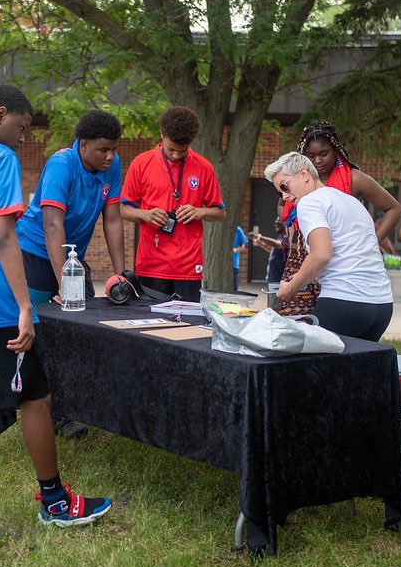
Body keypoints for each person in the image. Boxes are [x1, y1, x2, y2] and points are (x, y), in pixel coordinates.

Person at [0, 85, 111, 557]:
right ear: (0, 114)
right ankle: (55, 502)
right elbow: (3, 236)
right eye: (22, 127)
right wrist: (24, 307)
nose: (23, 137)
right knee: (36, 399)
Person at [17, 109, 125, 438]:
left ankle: (71, 407)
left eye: (114, 149)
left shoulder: (112, 166)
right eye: (103, 149)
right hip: (36, 251)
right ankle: (43, 408)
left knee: (82, 326)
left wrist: (122, 275)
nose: (110, 156)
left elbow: (113, 219)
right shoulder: (61, 165)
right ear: (83, 144)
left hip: (73, 256)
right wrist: (64, 283)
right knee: (41, 333)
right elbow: (52, 225)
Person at [276, 121, 401, 316]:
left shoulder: (354, 178)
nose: (318, 160)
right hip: (302, 258)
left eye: (324, 153)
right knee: (295, 320)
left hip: (341, 262)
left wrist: (372, 241)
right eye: (311, 156)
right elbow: (282, 206)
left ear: (335, 149)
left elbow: (394, 208)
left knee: (334, 322)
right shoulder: (295, 181)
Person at [266, 152, 393, 341]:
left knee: (306, 357)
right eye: (279, 192)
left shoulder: (309, 202)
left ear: (304, 174)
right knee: (357, 360)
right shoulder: (351, 201)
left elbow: (321, 255)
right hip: (382, 305)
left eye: (285, 186)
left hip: (345, 299)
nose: (285, 196)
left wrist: (290, 288)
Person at [120, 106, 226, 301]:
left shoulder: (204, 167)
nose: (176, 155)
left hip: (188, 267)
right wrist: (145, 214)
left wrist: (200, 212)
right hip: (151, 265)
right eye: (171, 149)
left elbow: (220, 213)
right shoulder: (141, 163)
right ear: (162, 134)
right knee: (149, 320)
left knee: (187, 319)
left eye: (182, 151)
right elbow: (123, 209)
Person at [232, 226, 249, 291]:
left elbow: (243, 246)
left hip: (234, 265)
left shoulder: (238, 229)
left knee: (234, 289)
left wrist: (235, 250)